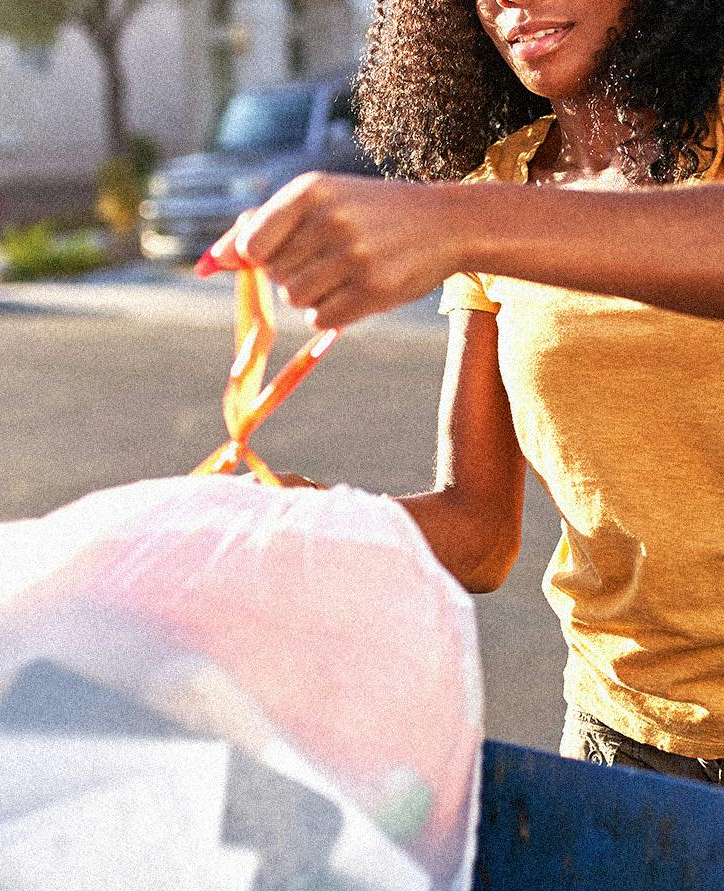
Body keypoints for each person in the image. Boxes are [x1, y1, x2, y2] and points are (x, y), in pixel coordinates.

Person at [203, 0, 724, 779]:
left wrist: (455, 220)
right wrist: (290, 527)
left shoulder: (480, 214)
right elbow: (479, 531)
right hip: (626, 738)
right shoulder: (500, 186)